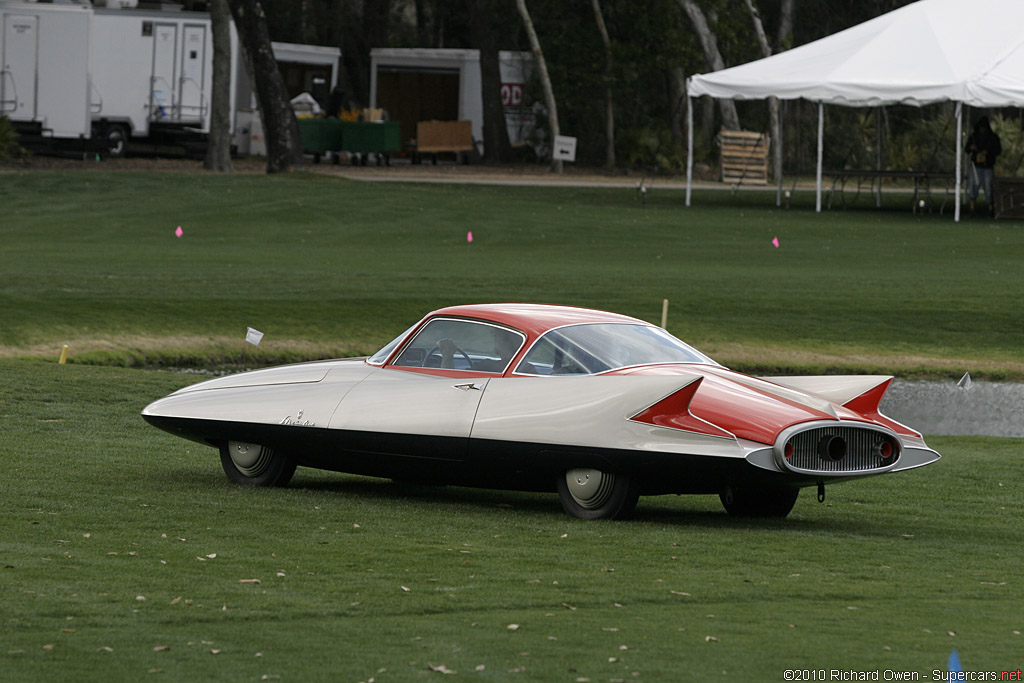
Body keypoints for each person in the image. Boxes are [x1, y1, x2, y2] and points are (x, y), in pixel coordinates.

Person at [965, 116, 1002, 217]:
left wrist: (988, 153)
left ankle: (991, 208)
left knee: (988, 187)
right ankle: (972, 208)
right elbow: (967, 149)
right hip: (975, 166)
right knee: (973, 186)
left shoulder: (993, 137)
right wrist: (971, 148)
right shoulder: (973, 137)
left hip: (988, 166)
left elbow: (998, 150)